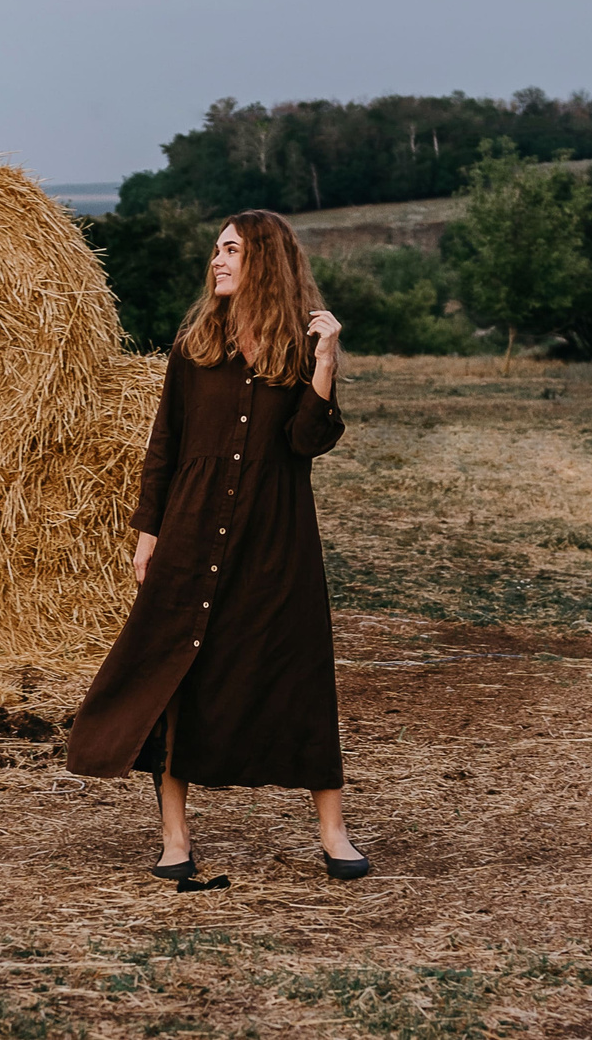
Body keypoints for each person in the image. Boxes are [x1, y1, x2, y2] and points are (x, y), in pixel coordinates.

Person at [63, 209, 366, 880]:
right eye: (215, 250)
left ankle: (334, 831)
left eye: (231, 249)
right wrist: (148, 533)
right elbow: (163, 445)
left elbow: (307, 443)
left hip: (275, 539)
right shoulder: (195, 344)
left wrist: (324, 363)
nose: (217, 261)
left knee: (299, 672)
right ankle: (175, 839)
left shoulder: (298, 346)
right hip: (192, 532)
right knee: (179, 675)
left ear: (265, 258)